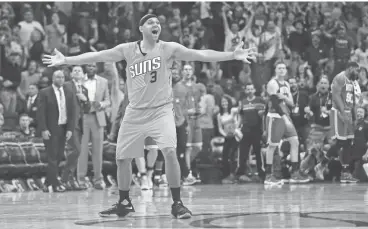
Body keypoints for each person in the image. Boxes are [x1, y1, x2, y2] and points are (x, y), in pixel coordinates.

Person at [42, 14, 256, 219]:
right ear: (141, 29)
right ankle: (124, 202)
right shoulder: (127, 50)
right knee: (122, 158)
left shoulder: (168, 48)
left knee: (170, 152)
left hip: (161, 110)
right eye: (151, 22)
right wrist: (67, 60)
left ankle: (177, 203)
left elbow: (200, 53)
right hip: (135, 112)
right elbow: (98, 55)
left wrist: (231, 55)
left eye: (158, 23)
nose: (157, 25)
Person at [264, 61, 309, 185]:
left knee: (295, 141)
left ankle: (295, 173)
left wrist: (283, 98)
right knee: (272, 146)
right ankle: (268, 176)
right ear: (275, 70)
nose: (282, 70)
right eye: (279, 68)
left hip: (285, 116)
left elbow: (291, 103)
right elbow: (274, 102)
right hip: (275, 117)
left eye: (284, 68)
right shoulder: (272, 83)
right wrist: (284, 117)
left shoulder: (287, 84)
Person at [37, 70, 76, 192]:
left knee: (59, 156)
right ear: (53, 78)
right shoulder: (44, 92)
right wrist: (43, 129)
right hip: (50, 129)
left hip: (63, 127)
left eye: (63, 77)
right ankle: (55, 184)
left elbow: (72, 112)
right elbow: (40, 113)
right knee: (52, 156)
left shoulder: (69, 92)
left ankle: (48, 182)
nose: (61, 79)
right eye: (58, 77)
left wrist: (70, 129)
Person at [328, 62, 361, 183]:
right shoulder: (340, 77)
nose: (357, 74)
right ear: (350, 68)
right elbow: (336, 96)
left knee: (348, 143)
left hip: (348, 113)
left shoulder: (352, 82)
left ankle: (345, 173)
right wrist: (342, 112)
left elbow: (352, 101)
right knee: (340, 141)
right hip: (338, 112)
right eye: (356, 71)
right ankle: (321, 164)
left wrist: (354, 116)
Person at [62, 65, 90, 190]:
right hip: (69, 123)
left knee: (75, 152)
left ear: (83, 74)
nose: (77, 72)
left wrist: (85, 100)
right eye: (75, 70)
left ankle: (71, 179)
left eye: (80, 70)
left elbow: (88, 109)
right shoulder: (66, 86)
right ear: (71, 74)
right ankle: (65, 178)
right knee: (76, 150)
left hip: (79, 124)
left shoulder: (84, 89)